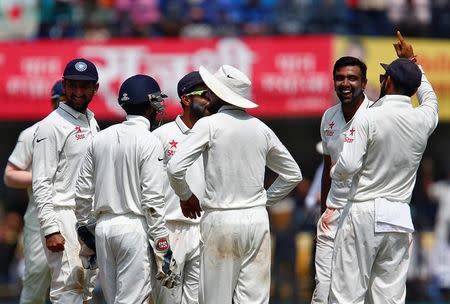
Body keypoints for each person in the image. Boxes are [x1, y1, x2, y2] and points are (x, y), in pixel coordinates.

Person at [167, 64, 303, 304]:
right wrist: (262, 201)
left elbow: (175, 167)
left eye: (210, 92)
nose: (207, 96)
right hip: (256, 221)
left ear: (219, 95)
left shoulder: (209, 125)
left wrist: (186, 196)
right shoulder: (261, 129)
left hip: (220, 220)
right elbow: (293, 174)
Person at [328, 31, 439, 303]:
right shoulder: (424, 118)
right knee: (389, 297)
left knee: (347, 296)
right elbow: (429, 97)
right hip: (399, 215)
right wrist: (413, 64)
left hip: (363, 210)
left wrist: (334, 171)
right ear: (412, 89)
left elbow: (348, 166)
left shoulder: (369, 116)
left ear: (388, 81)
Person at [74, 74, 179, 304]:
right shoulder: (149, 140)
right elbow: (153, 202)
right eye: (156, 101)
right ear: (149, 103)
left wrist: (86, 229)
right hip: (134, 228)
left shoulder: (100, 139)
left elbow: (82, 193)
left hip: (103, 229)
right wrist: (162, 247)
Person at [32, 58, 100, 303]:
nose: (78, 92)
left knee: (86, 289)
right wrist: (51, 229)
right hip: (62, 215)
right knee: (68, 288)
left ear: (96, 88)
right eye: (72, 85)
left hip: (86, 216)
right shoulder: (51, 126)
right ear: (64, 85)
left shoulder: (92, 121)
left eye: (84, 86)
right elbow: (41, 181)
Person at [311, 56, 373, 304]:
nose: (345, 83)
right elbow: (328, 167)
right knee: (323, 286)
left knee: (360, 290)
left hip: (365, 211)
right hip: (334, 212)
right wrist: (323, 213)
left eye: (352, 78)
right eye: (340, 78)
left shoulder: (375, 115)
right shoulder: (328, 117)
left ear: (364, 83)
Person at [3, 80, 63, 304]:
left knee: (77, 282)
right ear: (53, 102)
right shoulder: (33, 133)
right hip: (40, 216)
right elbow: (10, 175)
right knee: (36, 278)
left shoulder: (88, 129)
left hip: (77, 214)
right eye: (61, 101)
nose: (65, 106)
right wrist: (41, 178)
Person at [152, 71, 210, 303]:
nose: (210, 100)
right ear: (186, 99)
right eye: (204, 95)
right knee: (168, 299)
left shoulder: (213, 132)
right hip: (169, 228)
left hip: (203, 229)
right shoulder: (160, 136)